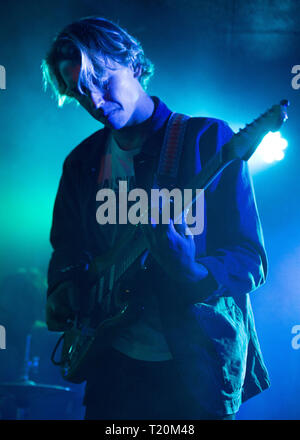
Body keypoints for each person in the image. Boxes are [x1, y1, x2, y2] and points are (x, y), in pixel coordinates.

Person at [42, 16, 270, 420]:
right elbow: (67, 251)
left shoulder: (208, 141)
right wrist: (64, 289)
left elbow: (250, 258)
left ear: (131, 62)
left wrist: (193, 272)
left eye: (101, 80)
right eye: (80, 93)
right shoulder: (80, 163)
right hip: (110, 365)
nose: (94, 101)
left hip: (194, 369)